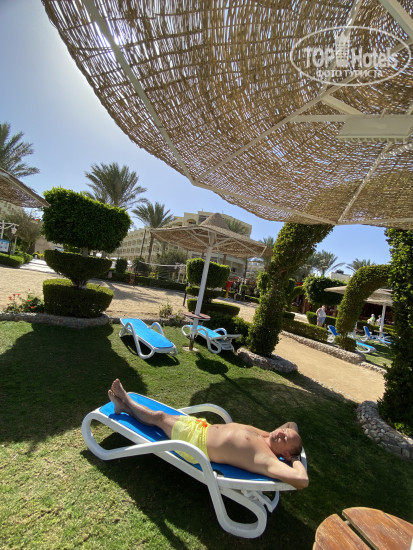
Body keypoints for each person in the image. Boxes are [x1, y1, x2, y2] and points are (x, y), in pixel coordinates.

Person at [108, 379, 309, 490]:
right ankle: (122, 408)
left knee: (159, 417)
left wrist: (295, 459)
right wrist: (291, 439)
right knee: (161, 417)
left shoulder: (266, 458)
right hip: (201, 427)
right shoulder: (267, 436)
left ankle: (126, 400)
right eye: (284, 432)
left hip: (196, 444)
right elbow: (292, 424)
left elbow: (302, 480)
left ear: (285, 454)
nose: (281, 433)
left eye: (285, 438)